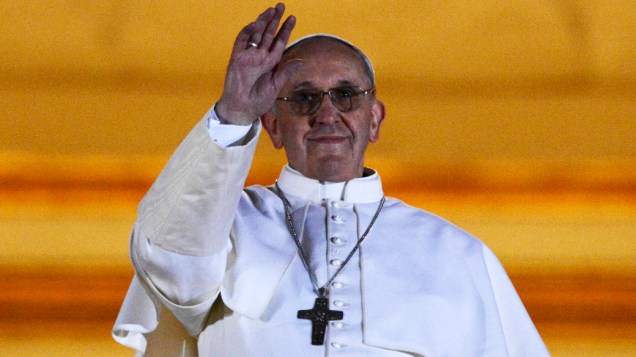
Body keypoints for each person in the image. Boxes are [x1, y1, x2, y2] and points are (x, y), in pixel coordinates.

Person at [113, 3, 549, 356]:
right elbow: (170, 262)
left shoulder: (456, 256)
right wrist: (233, 114)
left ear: (374, 119)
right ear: (273, 126)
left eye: (345, 95)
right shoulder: (223, 225)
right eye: (303, 98)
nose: (326, 114)